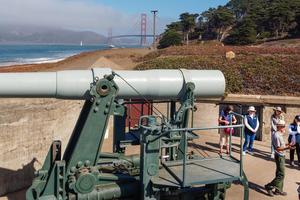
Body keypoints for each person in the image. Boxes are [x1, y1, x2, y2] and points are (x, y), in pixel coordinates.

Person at [265, 119, 294, 197]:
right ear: (280, 127)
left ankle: (278, 190)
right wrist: (288, 148)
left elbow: (282, 145)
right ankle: (269, 186)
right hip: (279, 156)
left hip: (281, 155)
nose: (285, 128)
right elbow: (278, 148)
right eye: (283, 126)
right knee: (281, 174)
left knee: (279, 173)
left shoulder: (279, 134)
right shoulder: (277, 136)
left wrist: (288, 144)